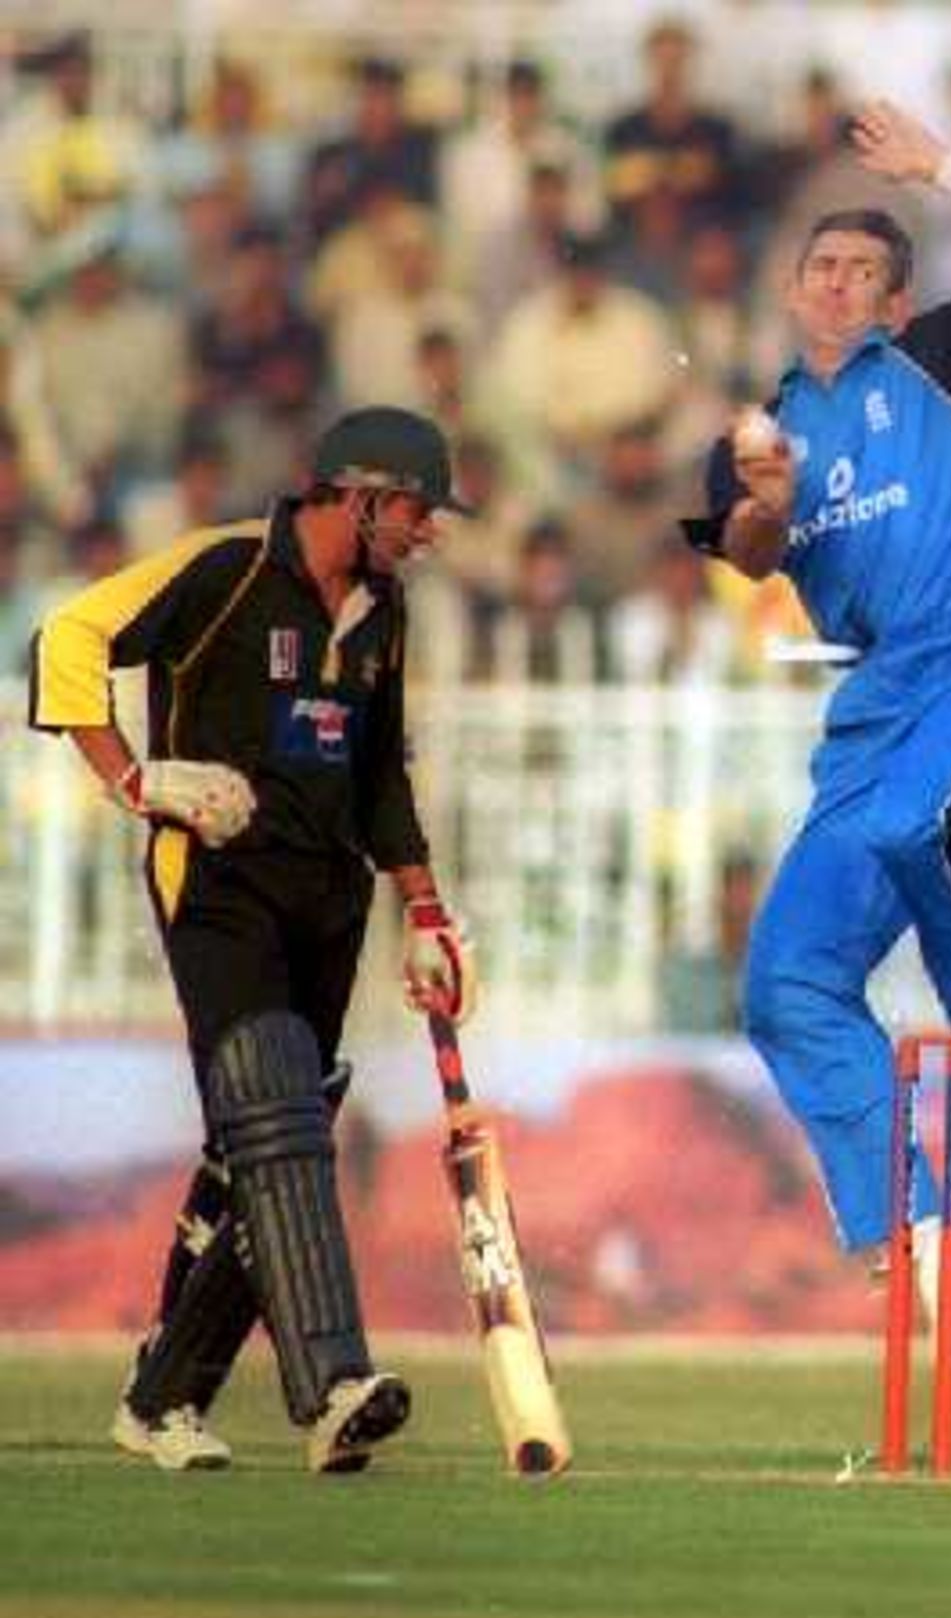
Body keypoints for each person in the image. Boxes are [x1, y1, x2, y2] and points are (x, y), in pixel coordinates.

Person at [681, 99, 951, 1354]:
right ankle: (915, 1242)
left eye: (865, 269)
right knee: (786, 983)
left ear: (896, 303)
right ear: (794, 289)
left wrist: (945, 169)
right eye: (823, 266)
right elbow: (749, 556)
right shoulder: (760, 433)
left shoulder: (947, 359)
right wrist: (761, 499)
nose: (840, 282)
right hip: (866, 714)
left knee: (922, 820)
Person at [28, 406, 478, 1473]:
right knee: (276, 1105)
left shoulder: (384, 610)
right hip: (219, 886)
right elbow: (67, 637)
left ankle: (160, 1398)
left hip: (329, 901)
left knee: (259, 1146)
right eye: (416, 508)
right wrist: (135, 780)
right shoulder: (225, 568)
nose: (428, 531)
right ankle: (331, 1385)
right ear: (360, 496)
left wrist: (423, 912)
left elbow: (380, 779)